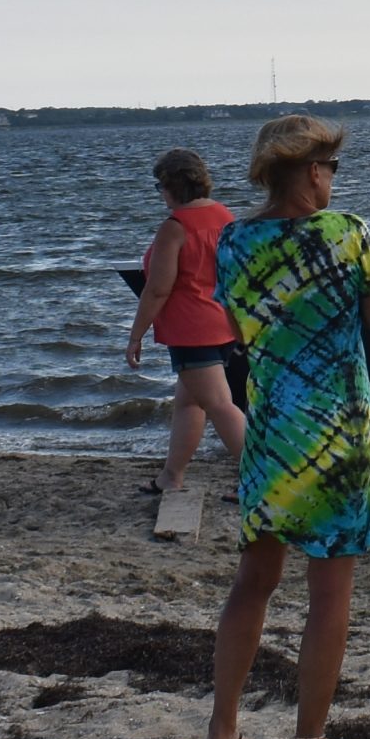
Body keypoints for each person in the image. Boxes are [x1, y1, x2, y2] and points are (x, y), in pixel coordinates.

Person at [199, 116, 370, 739]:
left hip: (271, 437)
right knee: (328, 593)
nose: (335, 180)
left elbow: (237, 327)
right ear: (313, 171)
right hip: (340, 438)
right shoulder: (347, 235)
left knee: (253, 581)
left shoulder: (234, 241)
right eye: (332, 168)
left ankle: (221, 728)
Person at [126, 147, 249, 497]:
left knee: (220, 405)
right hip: (223, 323)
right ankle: (171, 476)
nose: (160, 193)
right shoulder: (224, 215)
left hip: (192, 330)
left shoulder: (175, 227)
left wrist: (136, 336)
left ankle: (263, 481)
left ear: (171, 186)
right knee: (189, 402)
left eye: (160, 186)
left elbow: (157, 290)